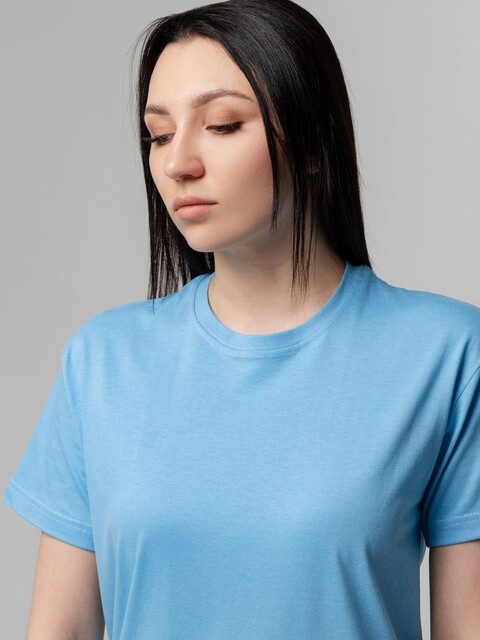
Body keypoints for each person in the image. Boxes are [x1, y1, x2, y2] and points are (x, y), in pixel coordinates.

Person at [3, 0, 480, 638]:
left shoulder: (447, 354)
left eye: (223, 125)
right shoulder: (102, 359)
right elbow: (57, 629)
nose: (178, 163)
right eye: (159, 134)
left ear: (313, 144)